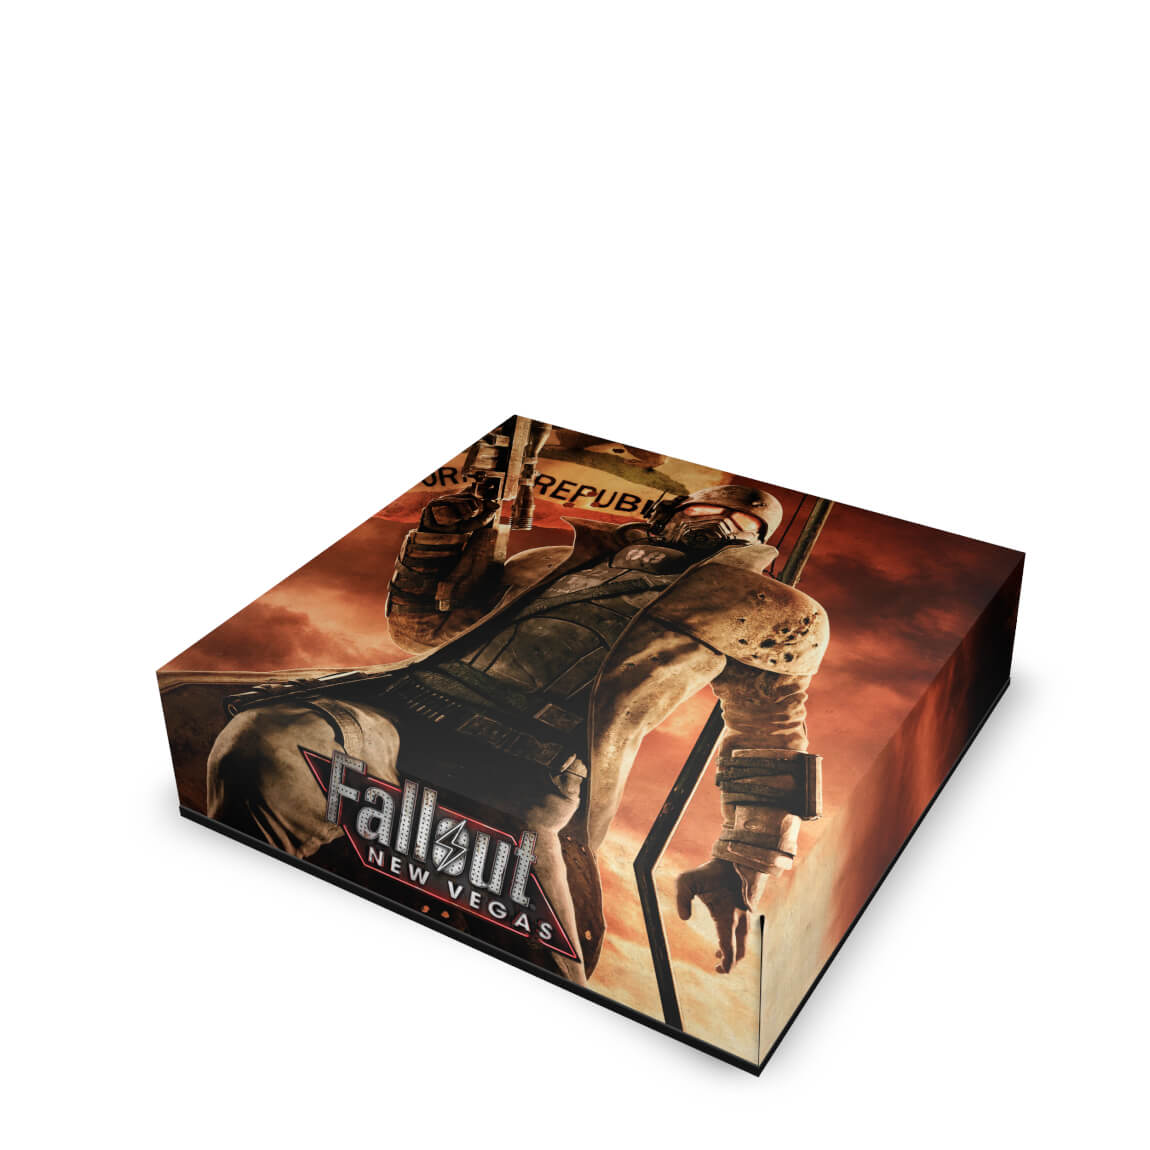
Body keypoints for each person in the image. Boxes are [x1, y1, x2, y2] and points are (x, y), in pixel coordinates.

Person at [207, 482, 829, 984]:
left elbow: (771, 736)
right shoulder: (547, 562)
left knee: (551, 976)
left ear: (760, 544)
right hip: (401, 717)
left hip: (526, 783)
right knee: (269, 739)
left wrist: (745, 863)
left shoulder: (768, 610)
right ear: (670, 512)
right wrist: (440, 542)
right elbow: (422, 633)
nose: (721, 525)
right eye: (706, 510)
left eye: (744, 524)